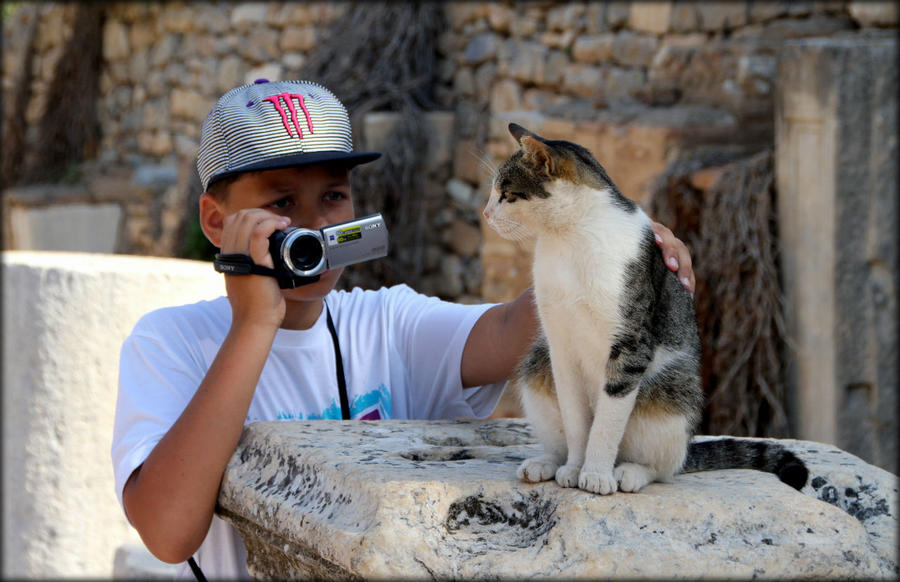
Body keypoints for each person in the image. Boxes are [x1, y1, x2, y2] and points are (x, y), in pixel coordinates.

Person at [111, 79, 695, 579]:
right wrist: (255, 322)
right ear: (217, 221)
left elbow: (520, 327)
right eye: (283, 201)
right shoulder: (168, 342)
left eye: (334, 196)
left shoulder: (387, 322)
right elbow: (167, 534)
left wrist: (620, 264)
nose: (315, 223)